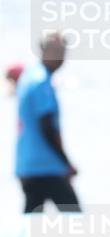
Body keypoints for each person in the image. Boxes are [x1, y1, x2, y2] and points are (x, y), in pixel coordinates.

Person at [15, 32, 81, 214]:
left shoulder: (28, 76)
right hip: (47, 166)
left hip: (26, 165)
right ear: (44, 51)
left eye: (63, 51)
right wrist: (66, 163)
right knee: (76, 221)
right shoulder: (41, 82)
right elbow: (47, 128)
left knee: (31, 224)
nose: (61, 57)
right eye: (56, 51)